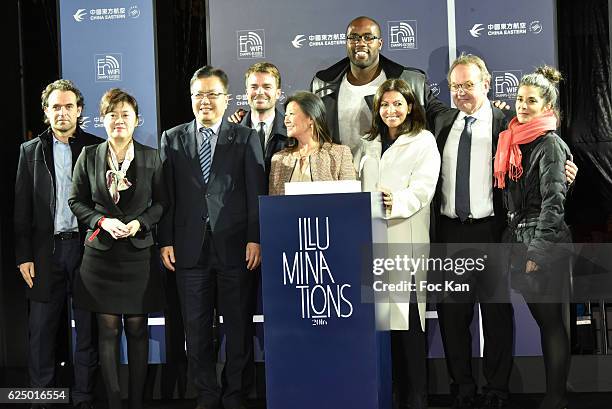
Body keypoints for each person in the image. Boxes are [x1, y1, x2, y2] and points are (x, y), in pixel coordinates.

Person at [159, 66, 266, 409]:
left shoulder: (246, 137)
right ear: (192, 99)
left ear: (226, 97)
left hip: (236, 247)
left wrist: (255, 237)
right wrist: (166, 240)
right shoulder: (172, 138)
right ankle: (206, 395)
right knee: (197, 330)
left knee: (237, 329)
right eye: (198, 95)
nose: (205, 102)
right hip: (189, 250)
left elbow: (255, 191)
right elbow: (166, 196)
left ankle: (235, 395)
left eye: (212, 94)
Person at [69, 88, 166, 409]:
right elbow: (76, 201)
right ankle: (113, 402)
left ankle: (137, 402)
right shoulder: (89, 156)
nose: (119, 121)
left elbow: (162, 203)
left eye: (125, 115)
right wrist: (101, 221)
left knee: (138, 329)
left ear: (137, 120)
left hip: (139, 255)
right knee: (107, 331)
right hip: (100, 257)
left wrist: (140, 223)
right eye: (112, 115)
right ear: (103, 120)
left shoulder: (152, 157)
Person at [432, 54, 515, 409]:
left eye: (468, 84)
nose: (462, 93)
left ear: (487, 83)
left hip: (491, 232)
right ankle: (462, 389)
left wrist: (568, 170)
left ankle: (496, 390)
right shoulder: (441, 121)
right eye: (455, 86)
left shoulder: (506, 125)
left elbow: (543, 155)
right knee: (453, 319)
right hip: (450, 234)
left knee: (496, 318)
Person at [14, 79, 100, 409]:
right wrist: (23, 256)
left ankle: (83, 397)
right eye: (55, 107)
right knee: (41, 333)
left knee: (87, 331)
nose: (61, 112)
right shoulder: (30, 151)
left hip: (85, 250)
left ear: (79, 111)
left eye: (68, 106)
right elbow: (21, 208)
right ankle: (41, 400)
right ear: (46, 112)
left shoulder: (94, 147)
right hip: (44, 253)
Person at [354, 78, 440, 409]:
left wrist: (396, 201)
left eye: (398, 104)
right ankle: (387, 397)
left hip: (405, 242)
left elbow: (424, 189)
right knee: (381, 331)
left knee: (409, 331)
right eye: (385, 105)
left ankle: (416, 398)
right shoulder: (369, 142)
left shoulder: (424, 141)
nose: (391, 110)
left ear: (410, 107)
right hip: (373, 246)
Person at [494, 66, 572, 409]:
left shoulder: (550, 144)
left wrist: (537, 253)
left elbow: (553, 205)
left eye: (531, 101)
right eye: (519, 99)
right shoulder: (512, 138)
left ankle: (556, 398)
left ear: (547, 107)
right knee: (544, 320)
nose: (522, 106)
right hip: (517, 241)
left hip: (542, 244)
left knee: (551, 322)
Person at [310, 16, 446, 155]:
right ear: (347, 42)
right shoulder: (322, 84)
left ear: (380, 43)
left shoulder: (410, 82)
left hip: (390, 172)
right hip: (341, 173)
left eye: (368, 37)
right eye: (354, 37)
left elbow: (442, 117)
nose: (360, 43)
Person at [268, 91, 355, 196]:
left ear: (311, 118)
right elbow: (273, 205)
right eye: (286, 115)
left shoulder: (339, 154)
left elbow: (351, 200)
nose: (286, 120)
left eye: (291, 114)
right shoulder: (279, 159)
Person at [236, 62, 288, 175]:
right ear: (246, 92)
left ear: (278, 93)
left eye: (267, 87)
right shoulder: (233, 133)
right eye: (254, 87)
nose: (259, 92)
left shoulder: (291, 133)